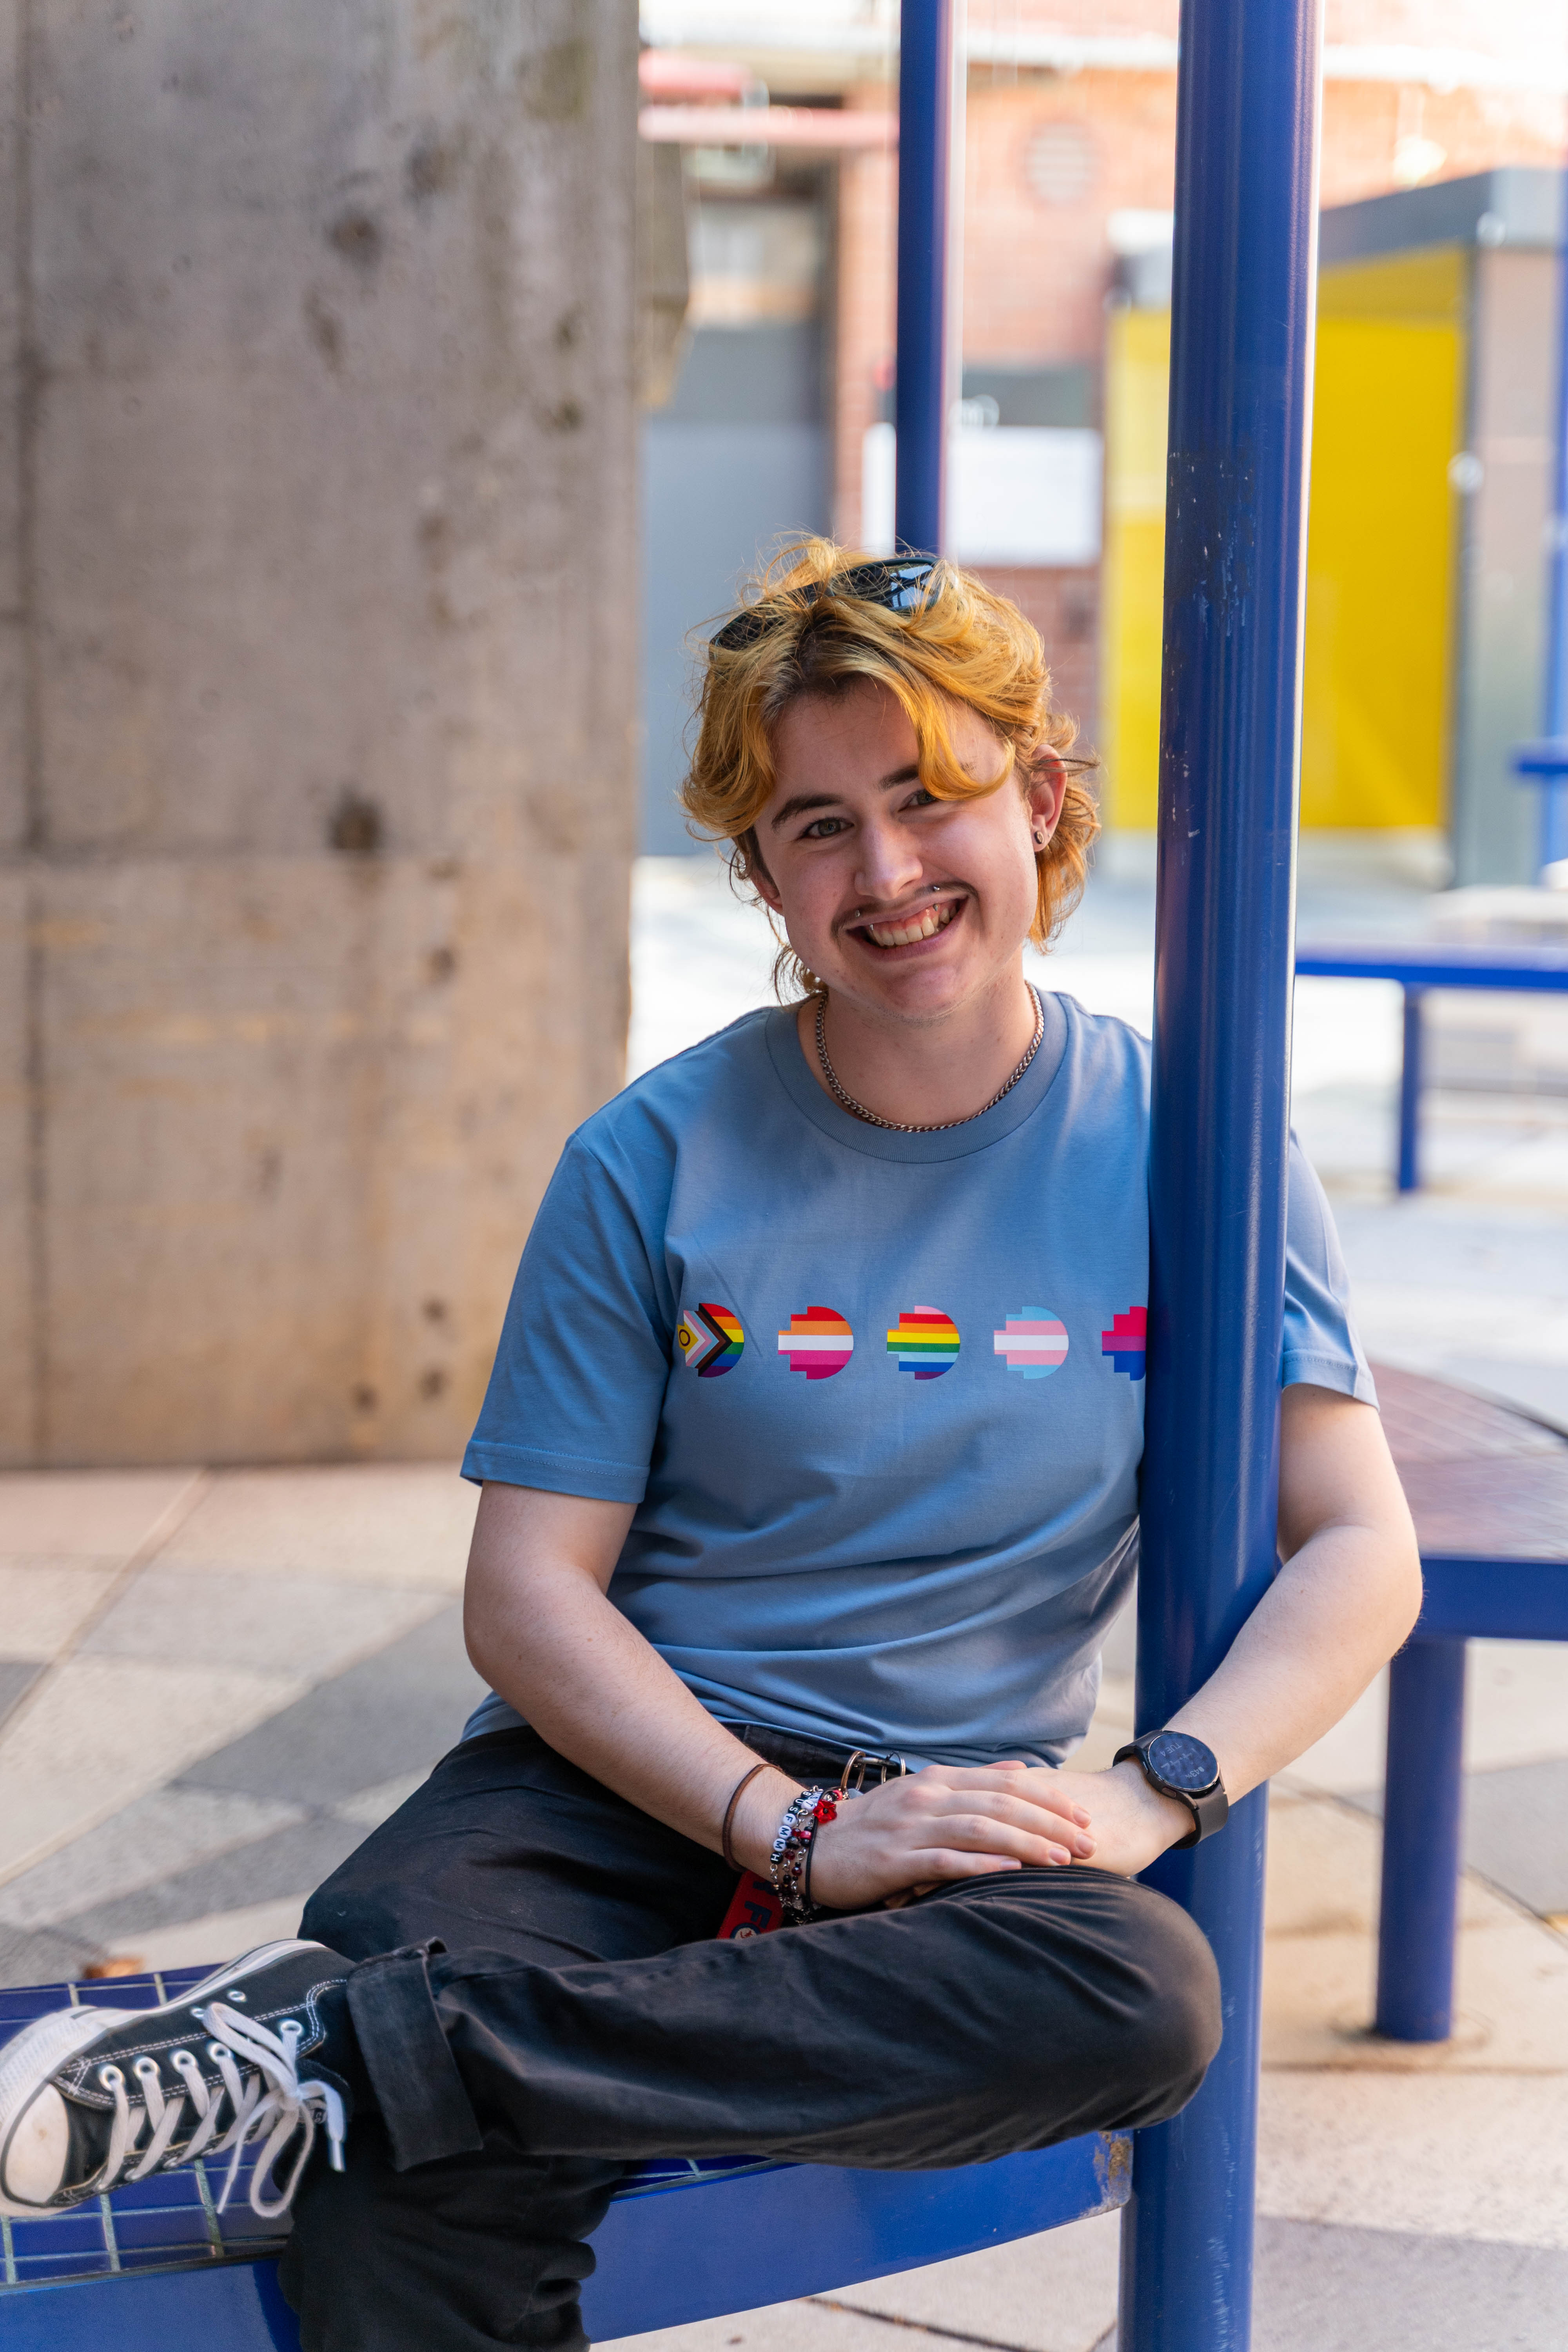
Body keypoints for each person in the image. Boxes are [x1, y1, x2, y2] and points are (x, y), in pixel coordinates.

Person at [0, 546, 1421, 2352]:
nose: (887, 873)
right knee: (415, 2072)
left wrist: (1149, 1797)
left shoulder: (1191, 1151)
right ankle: (393, 2042)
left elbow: (1358, 1544)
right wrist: (789, 1831)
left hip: (957, 1818)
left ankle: (346, 2052)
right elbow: (528, 1592)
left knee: (1135, 1994)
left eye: (930, 797)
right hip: (607, 1788)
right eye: (817, 826)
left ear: (1039, 802)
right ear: (760, 871)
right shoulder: (652, 1157)